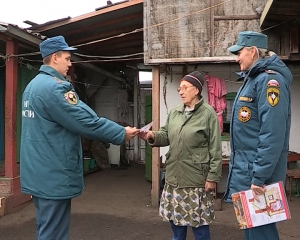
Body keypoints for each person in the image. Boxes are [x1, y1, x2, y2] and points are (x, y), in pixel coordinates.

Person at [20, 35, 140, 240]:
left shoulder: (32, 87)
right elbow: (86, 121)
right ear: (55, 58)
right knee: (53, 234)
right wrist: (121, 133)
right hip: (53, 173)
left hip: (37, 172)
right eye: (67, 58)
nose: (70, 63)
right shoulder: (56, 87)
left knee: (45, 228)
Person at [223, 31, 293, 240]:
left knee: (261, 233)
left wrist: (259, 176)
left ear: (253, 51)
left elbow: (272, 134)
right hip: (248, 174)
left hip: (257, 178)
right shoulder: (252, 80)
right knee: (252, 230)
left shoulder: (269, 82)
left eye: (240, 52)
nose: (237, 58)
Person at [140, 71, 222, 240]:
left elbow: (215, 148)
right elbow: (166, 134)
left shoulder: (208, 114)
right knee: (177, 228)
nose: (181, 92)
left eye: (185, 88)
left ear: (196, 90)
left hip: (196, 180)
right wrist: (152, 136)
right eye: (179, 89)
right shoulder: (175, 112)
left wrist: (213, 177)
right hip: (174, 178)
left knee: (199, 229)